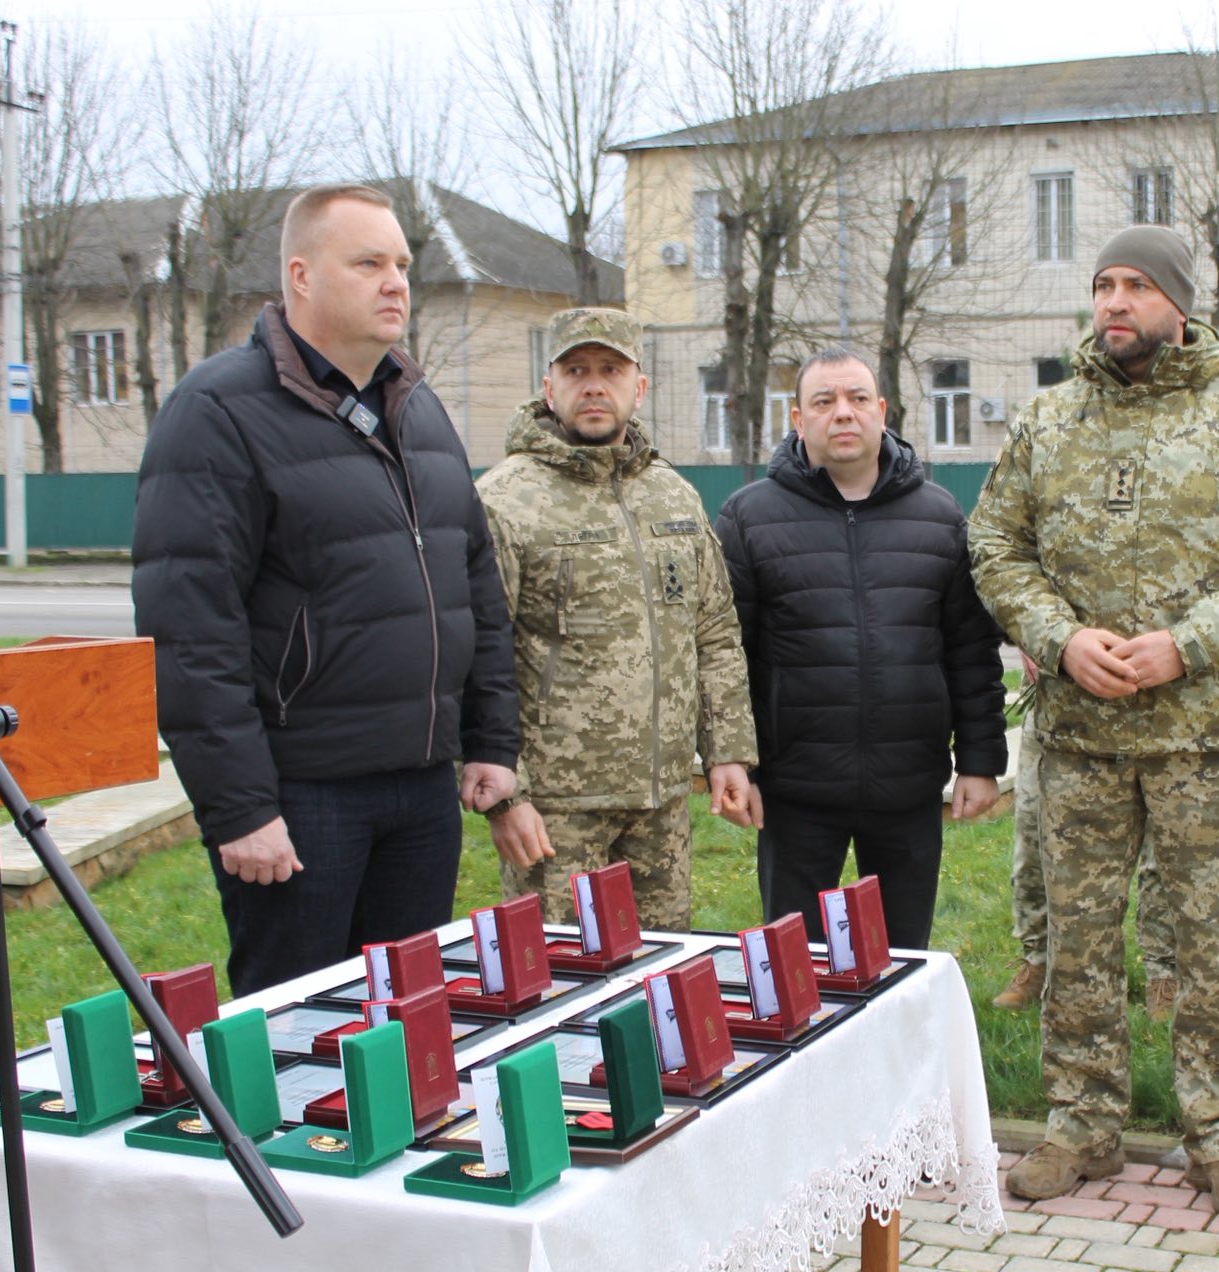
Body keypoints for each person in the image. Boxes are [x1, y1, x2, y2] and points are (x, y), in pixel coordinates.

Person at [970, 225, 1219, 1215]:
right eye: (1102, 285)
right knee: (1081, 943)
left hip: (1204, 738)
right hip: (1081, 736)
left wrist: (1192, 639)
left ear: (1179, 302)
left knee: (1214, 947)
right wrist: (1057, 636)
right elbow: (995, 548)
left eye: (1135, 286)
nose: (1114, 303)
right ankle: (1078, 1126)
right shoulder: (1049, 420)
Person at [133, 182, 520, 997]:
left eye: (403, 264)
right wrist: (239, 807)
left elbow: (471, 583)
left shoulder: (417, 407)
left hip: (420, 791)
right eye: (369, 262)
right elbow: (191, 629)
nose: (396, 283)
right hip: (302, 797)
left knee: (406, 1024)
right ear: (301, 276)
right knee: (296, 1034)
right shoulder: (218, 411)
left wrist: (490, 737)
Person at [476, 308, 757, 931]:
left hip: (659, 804)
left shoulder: (672, 494)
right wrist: (507, 795)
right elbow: (475, 651)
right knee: (559, 984)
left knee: (658, 980)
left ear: (640, 387)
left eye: (611, 370)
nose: (594, 385)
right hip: (555, 811)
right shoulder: (505, 500)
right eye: (576, 371)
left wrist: (727, 753)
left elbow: (712, 630)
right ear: (549, 387)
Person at [715, 347, 1006, 949]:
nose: (841, 414)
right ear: (798, 420)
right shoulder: (750, 517)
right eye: (824, 402)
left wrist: (980, 762)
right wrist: (733, 759)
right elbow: (727, 654)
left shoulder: (939, 515)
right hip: (797, 789)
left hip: (908, 786)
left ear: (881, 411)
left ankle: (897, 1048)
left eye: (855, 400)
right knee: (793, 967)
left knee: (900, 960)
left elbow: (970, 651)